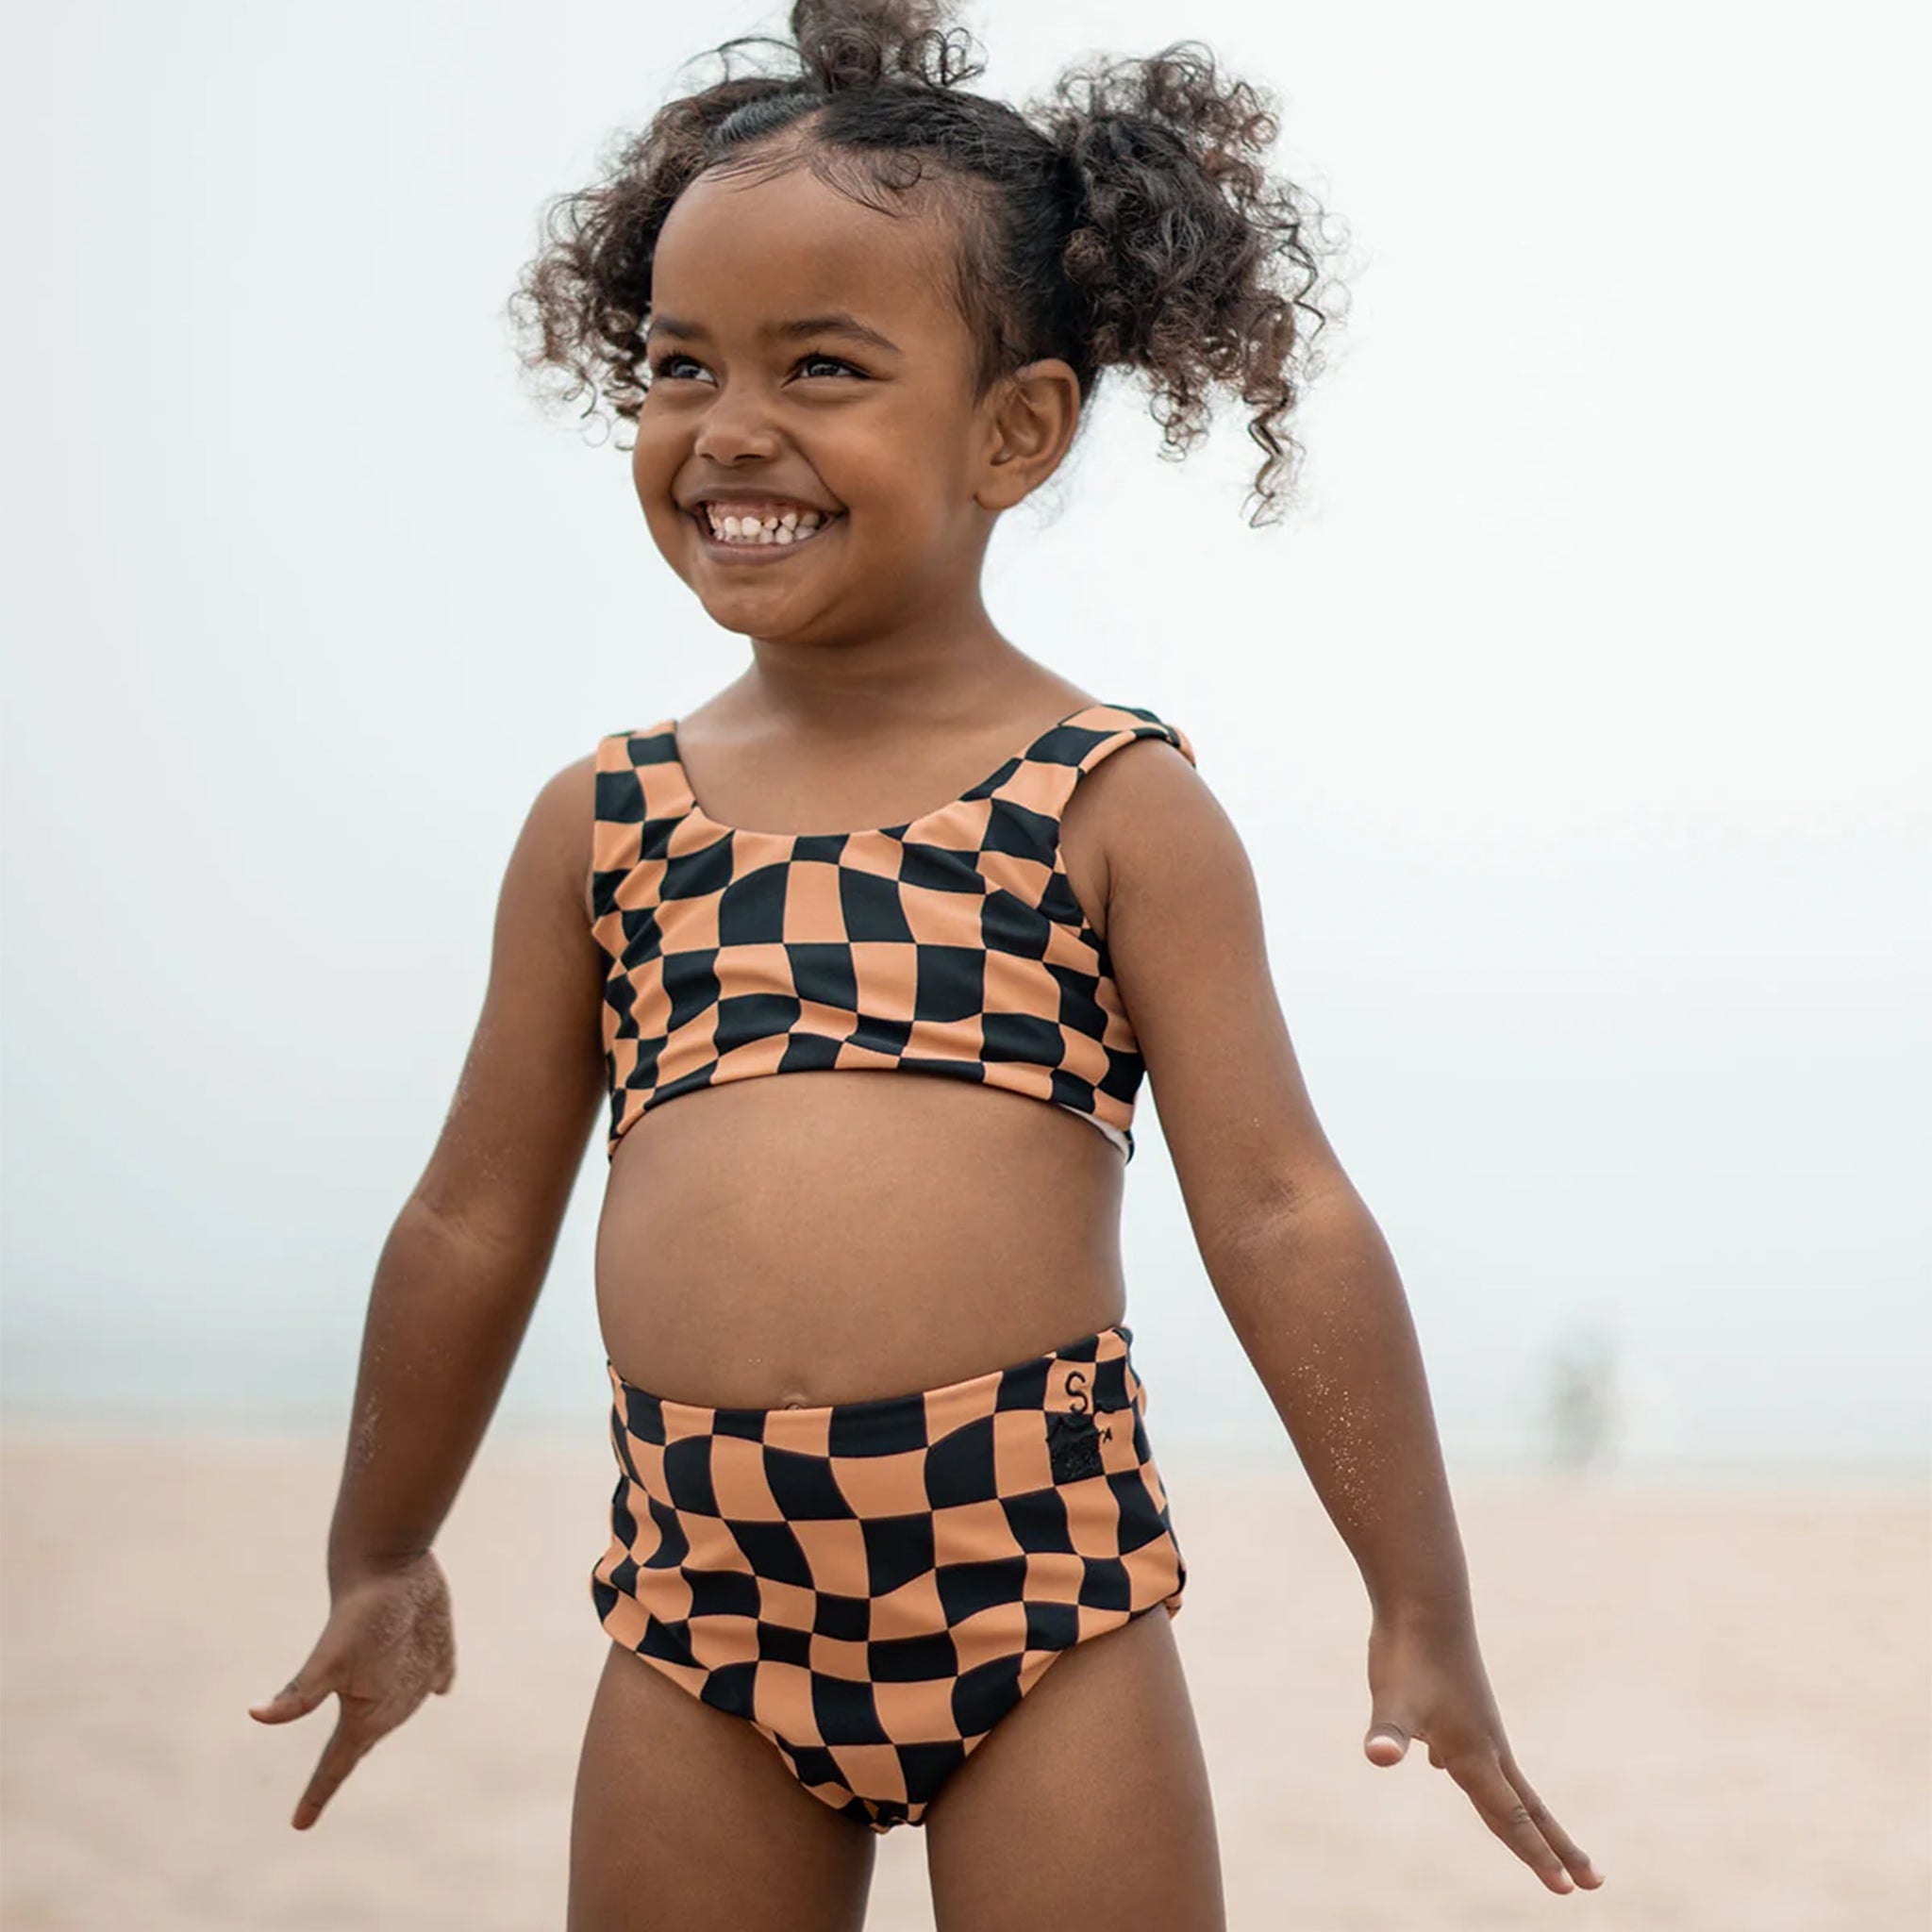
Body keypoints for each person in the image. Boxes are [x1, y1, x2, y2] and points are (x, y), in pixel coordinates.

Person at [248, 2, 1606, 1924]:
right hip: (699, 1605)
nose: (730, 426)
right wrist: (378, 1550)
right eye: (677, 361)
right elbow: (472, 1218)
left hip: (1036, 1592)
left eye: (822, 364)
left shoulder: (1107, 806)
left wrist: (1422, 1607)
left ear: (1015, 428)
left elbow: (1284, 1211)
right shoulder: (605, 823)